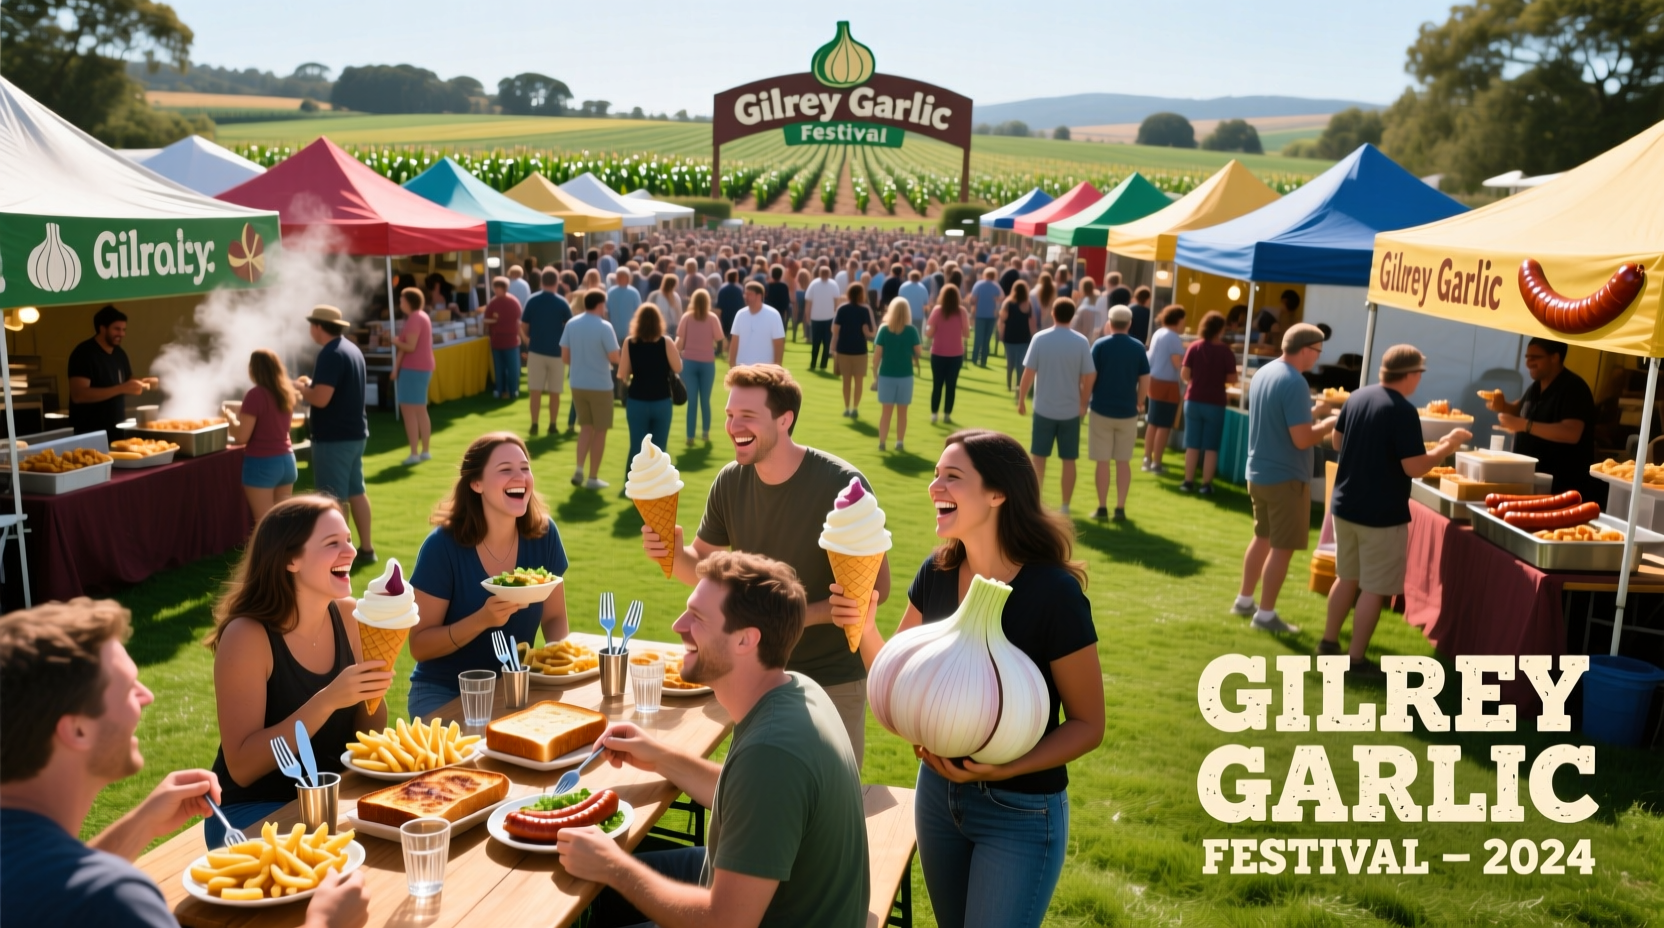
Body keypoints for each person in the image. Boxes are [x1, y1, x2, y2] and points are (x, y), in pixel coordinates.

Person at [0, 598, 370, 928]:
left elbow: (54, 883)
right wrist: (323, 923)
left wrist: (140, 824)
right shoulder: (116, 900)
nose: (147, 696)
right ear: (76, 730)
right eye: (129, 686)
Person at [567, 552, 869, 928]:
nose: (679, 625)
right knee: (600, 894)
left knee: (600, 887)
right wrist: (660, 756)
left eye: (698, 617)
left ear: (746, 640)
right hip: (772, 895)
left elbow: (726, 921)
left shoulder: (772, 753)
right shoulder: (796, 690)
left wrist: (613, 866)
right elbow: (749, 798)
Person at [889, 430, 1103, 928]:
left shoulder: (1054, 593)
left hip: (1021, 809)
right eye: (936, 474)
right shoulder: (937, 573)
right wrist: (858, 619)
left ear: (997, 493)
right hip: (937, 794)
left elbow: (1089, 724)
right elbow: (896, 680)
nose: (934, 486)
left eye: (952, 476)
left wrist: (1006, 769)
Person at [639, 365, 887, 761]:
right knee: (757, 794)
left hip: (830, 678)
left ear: (784, 419)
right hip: (751, 674)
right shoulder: (730, 481)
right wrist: (671, 552)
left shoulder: (842, 485)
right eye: (729, 415)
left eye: (747, 416)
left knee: (831, 804)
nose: (734, 425)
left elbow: (874, 591)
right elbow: (702, 569)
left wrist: (795, 615)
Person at [204, 496, 390, 846]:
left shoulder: (350, 617)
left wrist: (372, 695)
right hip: (253, 811)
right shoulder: (247, 636)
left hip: (328, 798)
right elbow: (242, 767)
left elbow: (367, 737)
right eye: (332, 543)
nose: (349, 551)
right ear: (291, 559)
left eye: (349, 540)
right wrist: (327, 700)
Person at [1323, 347, 1470, 679]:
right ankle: (1355, 661)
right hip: (1381, 513)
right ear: (1411, 375)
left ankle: (1328, 643)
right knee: (1374, 588)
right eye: (1420, 373)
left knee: (1346, 577)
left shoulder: (1357, 397)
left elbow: (1336, 442)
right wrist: (1447, 445)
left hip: (1345, 505)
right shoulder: (1403, 410)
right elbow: (1415, 467)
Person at [408, 433, 570, 718]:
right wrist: (482, 620)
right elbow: (419, 645)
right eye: (505, 470)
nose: (519, 477)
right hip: (444, 692)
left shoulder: (543, 535)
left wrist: (557, 662)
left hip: (515, 688)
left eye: (524, 467)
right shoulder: (442, 547)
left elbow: (554, 617)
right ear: (476, 483)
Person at [1236, 323, 1337, 634]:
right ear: (1306, 349)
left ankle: (1244, 601)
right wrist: (1332, 422)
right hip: (1286, 478)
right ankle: (1265, 616)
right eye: (1318, 351)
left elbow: (1280, 419)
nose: (1318, 359)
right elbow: (1302, 439)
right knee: (1282, 547)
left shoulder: (1265, 372)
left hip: (1259, 472)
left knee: (1262, 537)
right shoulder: (1295, 382)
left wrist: (1315, 412)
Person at [295, 305, 374, 567]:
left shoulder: (330, 353)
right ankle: (366, 549)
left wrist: (302, 388)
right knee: (356, 492)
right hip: (355, 433)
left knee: (332, 500)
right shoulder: (351, 349)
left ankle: (338, 557)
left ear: (318, 327)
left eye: (311, 325)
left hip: (333, 438)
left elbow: (321, 398)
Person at [1486, 337, 1599, 498]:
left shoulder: (1574, 388)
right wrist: (1503, 406)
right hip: (1532, 483)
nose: (1528, 363)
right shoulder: (1536, 386)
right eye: (1527, 357)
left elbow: (1571, 433)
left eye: (1535, 357)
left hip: (1562, 488)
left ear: (1555, 357)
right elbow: (1521, 409)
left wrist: (1525, 425)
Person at [1018, 299, 1095, 516]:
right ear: (1072, 316)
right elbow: (1089, 374)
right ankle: (1065, 505)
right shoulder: (1081, 341)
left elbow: (1028, 373)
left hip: (1044, 408)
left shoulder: (1040, 338)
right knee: (1069, 459)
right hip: (1070, 410)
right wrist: (1083, 402)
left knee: (1038, 458)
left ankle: (1035, 501)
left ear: (1053, 313)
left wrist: (1022, 398)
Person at [1088, 306, 1150, 521]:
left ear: (1110, 322)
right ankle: (1120, 508)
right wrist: (1140, 401)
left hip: (1101, 409)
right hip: (1127, 411)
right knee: (1123, 462)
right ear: (1130, 323)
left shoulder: (1100, 345)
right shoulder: (1138, 347)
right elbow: (1144, 379)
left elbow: (1090, 376)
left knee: (1102, 461)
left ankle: (1102, 506)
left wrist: (1085, 397)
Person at [223, 349, 299, 525]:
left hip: (262, 464)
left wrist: (230, 418)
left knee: (264, 524)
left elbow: (242, 437)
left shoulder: (255, 394)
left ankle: (267, 554)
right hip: (287, 461)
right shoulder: (286, 393)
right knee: (283, 522)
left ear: (253, 370)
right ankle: (286, 553)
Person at [562, 290, 623, 490]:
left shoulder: (572, 324)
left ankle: (579, 468)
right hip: (600, 384)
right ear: (599, 305)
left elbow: (565, 357)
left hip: (577, 383)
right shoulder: (604, 327)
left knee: (585, 428)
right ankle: (592, 477)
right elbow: (615, 357)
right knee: (600, 430)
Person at [618, 303, 684, 480]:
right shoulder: (666, 342)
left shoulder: (629, 343)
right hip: (661, 400)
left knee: (637, 446)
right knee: (659, 446)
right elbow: (678, 367)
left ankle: (631, 482)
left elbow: (622, 374)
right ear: (658, 322)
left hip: (637, 400)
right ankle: (656, 483)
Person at [68, 305, 154, 438]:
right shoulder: (84, 353)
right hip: (89, 433)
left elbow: (127, 381)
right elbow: (79, 395)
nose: (122, 334)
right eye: (117, 329)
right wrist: (121, 389)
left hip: (117, 430)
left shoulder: (119, 353)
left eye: (124, 330)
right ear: (102, 328)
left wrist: (143, 382)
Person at [1179, 312, 1239, 495]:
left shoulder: (1194, 346)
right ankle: (1206, 484)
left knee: (1192, 444)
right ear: (1221, 329)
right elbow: (1232, 378)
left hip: (1193, 399)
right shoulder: (1225, 351)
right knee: (1211, 446)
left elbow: (1185, 375)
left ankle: (1188, 481)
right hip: (1215, 401)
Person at [522, 268, 573, 437]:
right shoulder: (562, 302)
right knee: (554, 392)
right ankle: (552, 424)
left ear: (541, 282)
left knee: (535, 391)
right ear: (557, 282)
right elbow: (570, 327)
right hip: (556, 352)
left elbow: (524, 327)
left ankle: (534, 424)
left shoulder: (532, 300)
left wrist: (527, 342)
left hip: (536, 351)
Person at [390, 287, 435, 464]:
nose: (400, 302)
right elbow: (406, 346)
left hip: (414, 369)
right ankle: (424, 451)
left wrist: (394, 341)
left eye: (402, 299)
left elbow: (409, 346)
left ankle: (415, 453)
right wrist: (396, 368)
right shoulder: (419, 317)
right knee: (420, 411)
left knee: (409, 412)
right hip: (420, 368)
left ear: (409, 301)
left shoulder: (415, 318)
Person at [873, 297, 922, 453]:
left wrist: (875, 374)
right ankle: (899, 442)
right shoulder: (912, 330)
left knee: (885, 412)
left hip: (886, 374)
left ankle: (882, 442)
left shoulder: (884, 329)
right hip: (905, 376)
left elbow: (877, 355)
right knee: (903, 412)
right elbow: (918, 352)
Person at [678, 290, 724, 446]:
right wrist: (717, 352)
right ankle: (705, 433)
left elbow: (680, 339)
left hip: (689, 362)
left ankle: (690, 436)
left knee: (692, 401)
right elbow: (720, 339)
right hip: (707, 363)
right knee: (705, 400)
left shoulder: (686, 317)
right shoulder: (712, 318)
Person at [1144, 305, 1187, 474]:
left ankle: (1147, 459)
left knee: (1153, 423)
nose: (1184, 324)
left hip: (1154, 381)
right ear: (1178, 320)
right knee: (1163, 426)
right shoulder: (1173, 337)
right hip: (1167, 384)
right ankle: (1157, 463)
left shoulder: (1158, 333)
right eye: (1183, 320)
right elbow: (1178, 363)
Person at [925, 283, 967, 424]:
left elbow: (929, 334)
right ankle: (947, 414)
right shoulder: (962, 312)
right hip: (956, 354)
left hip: (938, 353)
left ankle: (934, 414)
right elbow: (967, 333)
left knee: (937, 384)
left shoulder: (937, 311)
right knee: (951, 385)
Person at [832, 282, 875, 418]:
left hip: (843, 349)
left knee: (846, 381)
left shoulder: (842, 309)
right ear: (862, 294)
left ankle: (846, 407)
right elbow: (869, 332)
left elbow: (835, 330)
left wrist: (833, 348)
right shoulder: (864, 310)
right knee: (858, 382)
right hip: (860, 350)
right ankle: (855, 408)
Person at [729, 281, 786, 367]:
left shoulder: (773, 315)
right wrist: (732, 364)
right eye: (745, 294)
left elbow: (779, 344)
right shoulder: (740, 314)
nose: (746, 297)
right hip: (742, 368)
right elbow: (734, 342)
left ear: (759, 296)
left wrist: (777, 368)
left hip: (764, 369)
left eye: (750, 294)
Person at [484, 277, 523, 400]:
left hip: (511, 340)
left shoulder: (513, 302)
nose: (495, 290)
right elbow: (486, 319)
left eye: (498, 288)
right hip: (497, 340)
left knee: (513, 368)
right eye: (494, 288)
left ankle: (513, 390)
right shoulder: (493, 302)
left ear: (504, 288)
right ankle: (500, 389)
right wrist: (494, 320)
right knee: (499, 368)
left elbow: (517, 320)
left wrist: (496, 320)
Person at [998, 280, 1035, 393]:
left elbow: (1002, 321)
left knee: (1010, 362)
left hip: (1010, 337)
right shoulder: (1028, 304)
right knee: (1021, 363)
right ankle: (1019, 384)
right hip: (1024, 337)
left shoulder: (1008, 303)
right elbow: (1031, 322)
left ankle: (1009, 384)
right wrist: (1033, 335)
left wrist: (1001, 334)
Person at [806, 265, 840, 371]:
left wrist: (807, 315)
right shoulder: (833, 284)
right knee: (826, 342)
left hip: (816, 317)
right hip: (828, 317)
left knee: (816, 342)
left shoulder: (814, 284)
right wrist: (836, 313)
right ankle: (823, 364)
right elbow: (836, 302)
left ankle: (813, 363)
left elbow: (808, 302)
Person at [970, 267, 1003, 368]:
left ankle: (975, 358)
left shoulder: (978, 284)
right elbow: (1001, 299)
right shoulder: (997, 287)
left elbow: (973, 299)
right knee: (987, 339)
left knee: (978, 338)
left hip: (980, 314)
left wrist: (972, 312)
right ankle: (983, 360)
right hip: (991, 315)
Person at [608, 268, 643, 349]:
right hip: (630, 330)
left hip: (615, 330)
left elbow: (607, 312)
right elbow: (639, 312)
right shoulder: (634, 292)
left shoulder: (610, 292)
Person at [649, 271, 683, 339]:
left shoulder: (676, 296)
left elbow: (679, 313)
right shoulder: (655, 295)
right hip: (658, 326)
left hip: (673, 327)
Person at [716, 268, 746, 338]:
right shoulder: (740, 289)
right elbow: (743, 304)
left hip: (725, 316)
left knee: (727, 335)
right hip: (737, 315)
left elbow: (719, 305)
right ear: (736, 277)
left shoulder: (722, 289)